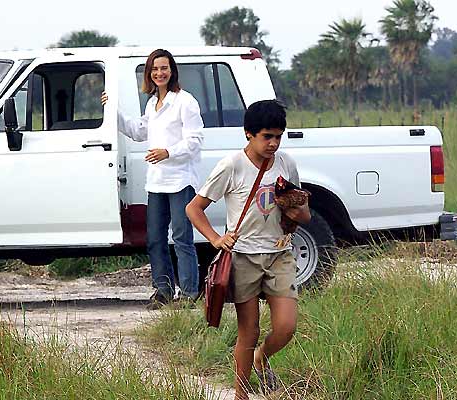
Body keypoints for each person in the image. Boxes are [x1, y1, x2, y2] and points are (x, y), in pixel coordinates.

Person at [185, 100, 311, 399]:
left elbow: (305, 212)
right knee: (249, 331)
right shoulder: (232, 165)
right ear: (248, 134)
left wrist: (296, 213)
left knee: (286, 327)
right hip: (244, 257)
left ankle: (262, 358)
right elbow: (195, 208)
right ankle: (241, 392)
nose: (274, 143)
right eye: (267, 136)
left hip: (280, 252)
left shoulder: (286, 163)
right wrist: (216, 239)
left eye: (279, 136)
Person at [102, 49, 203, 308]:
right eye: (154, 69)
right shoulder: (152, 104)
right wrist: (112, 111)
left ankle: (190, 293)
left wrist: (168, 152)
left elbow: (195, 141)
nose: (159, 73)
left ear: (172, 71)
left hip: (181, 179)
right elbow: (138, 131)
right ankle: (163, 291)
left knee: (182, 237)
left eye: (164, 68)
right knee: (155, 238)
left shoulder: (185, 102)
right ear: (149, 73)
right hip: (157, 181)